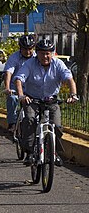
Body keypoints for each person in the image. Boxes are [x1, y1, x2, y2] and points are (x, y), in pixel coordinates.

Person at [13, 37, 78, 167]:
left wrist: (73, 94)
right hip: (32, 99)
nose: (45, 56)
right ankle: (30, 152)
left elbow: (69, 78)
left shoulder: (58, 63)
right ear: (37, 53)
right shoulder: (30, 63)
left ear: (52, 53)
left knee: (57, 126)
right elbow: (19, 79)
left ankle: (54, 153)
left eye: (48, 53)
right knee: (30, 120)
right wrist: (21, 95)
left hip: (51, 100)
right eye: (42, 53)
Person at [2, 34, 36, 132]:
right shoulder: (14, 57)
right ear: (20, 48)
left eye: (30, 49)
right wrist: (7, 88)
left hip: (31, 89)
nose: (28, 52)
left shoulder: (37, 58)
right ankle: (12, 123)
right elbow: (8, 72)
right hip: (16, 89)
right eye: (25, 49)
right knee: (12, 99)